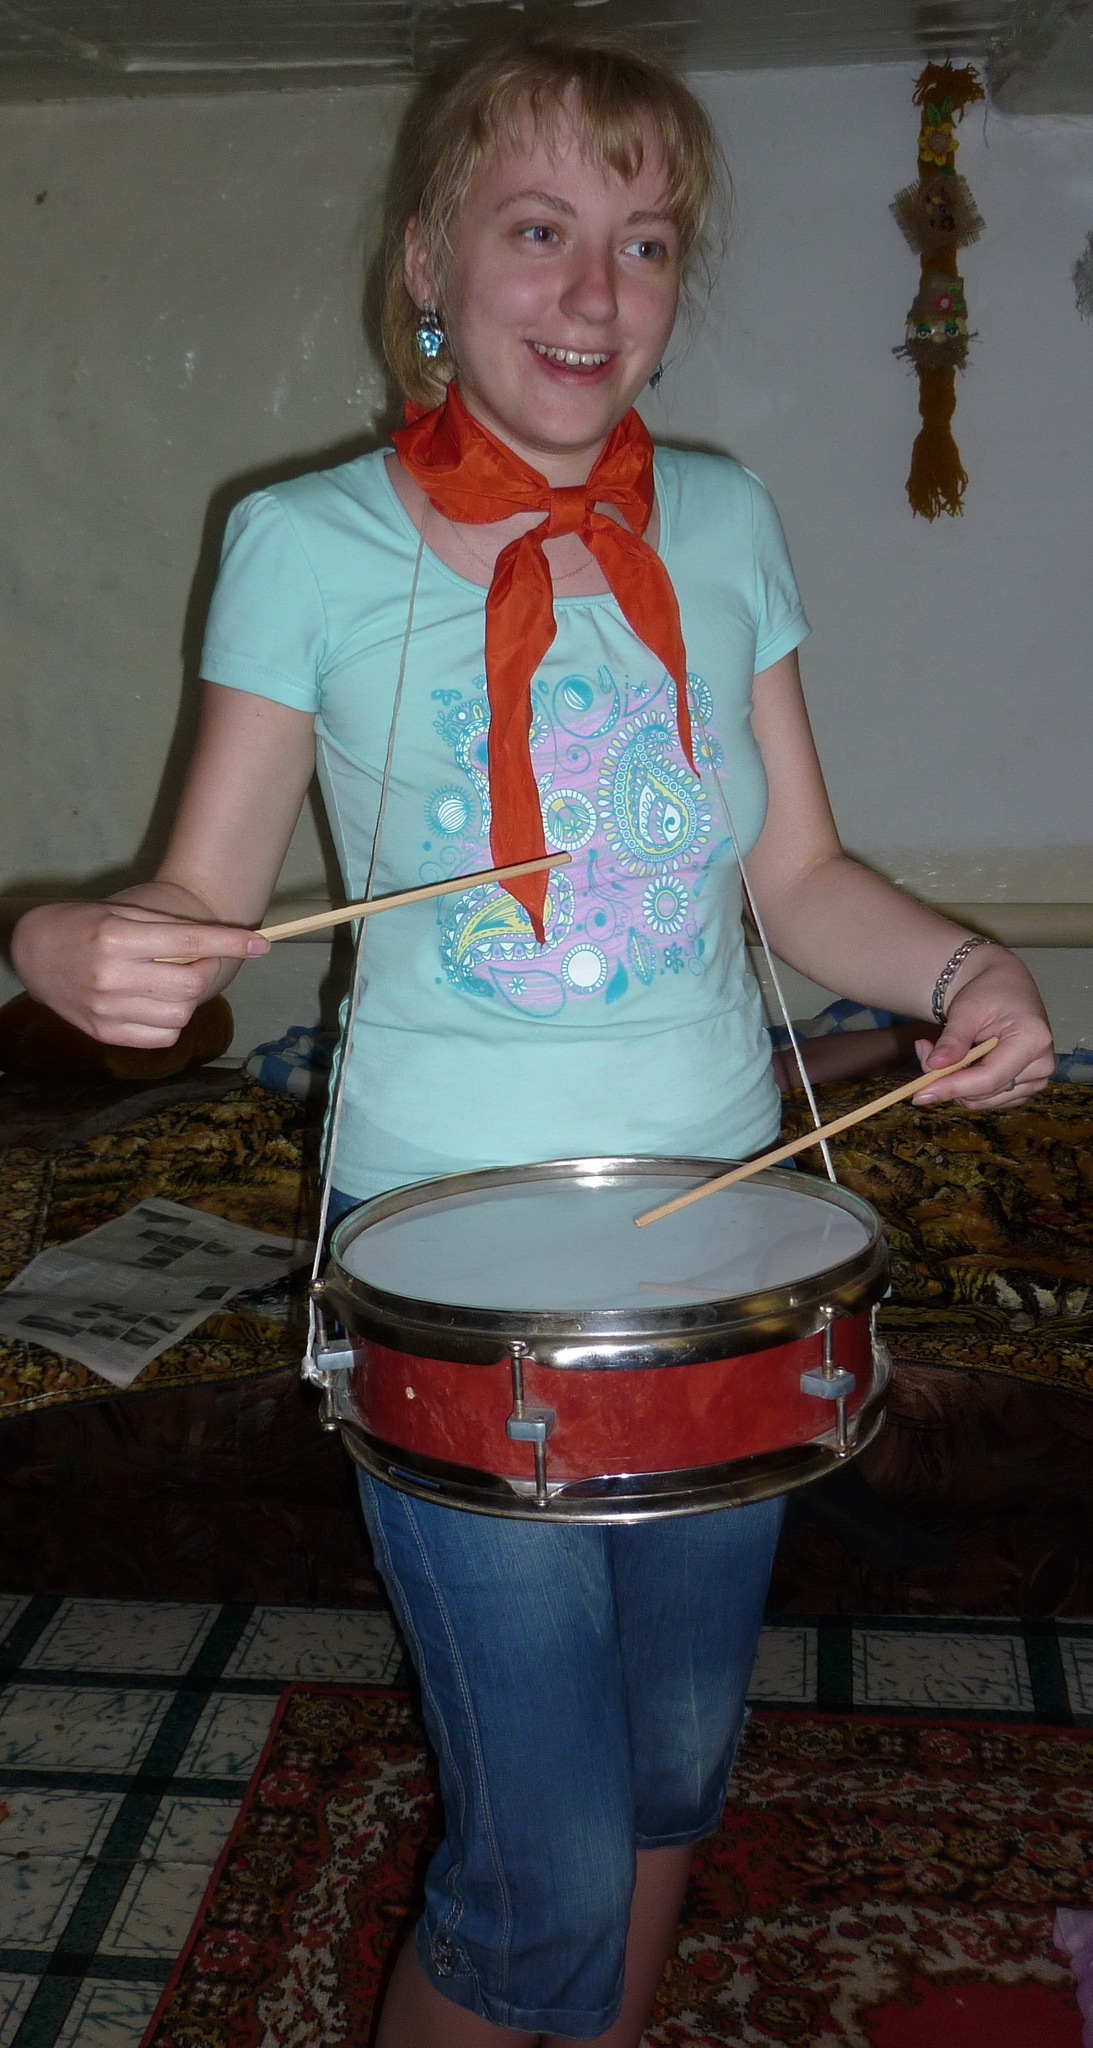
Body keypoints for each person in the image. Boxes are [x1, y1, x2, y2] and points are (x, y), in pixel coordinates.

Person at [12, 30, 1054, 2046]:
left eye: (643, 242)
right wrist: (66, 943)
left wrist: (961, 974)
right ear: (428, 260)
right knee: (534, 1875)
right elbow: (194, 909)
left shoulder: (726, 523)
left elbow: (798, 873)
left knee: (670, 1775)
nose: (593, 289)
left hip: (722, 1258)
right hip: (444, 1276)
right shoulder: (305, 545)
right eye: (540, 229)